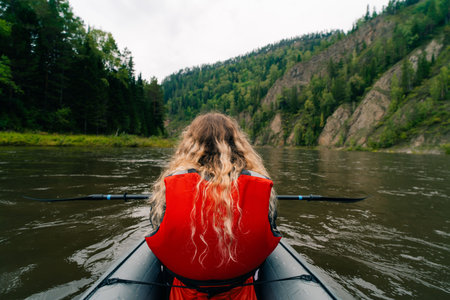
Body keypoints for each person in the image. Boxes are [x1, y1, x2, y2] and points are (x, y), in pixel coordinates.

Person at [145, 112, 281, 299]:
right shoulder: (262, 183)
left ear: (190, 144)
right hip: (240, 289)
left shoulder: (171, 183)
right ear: (237, 144)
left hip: (185, 291)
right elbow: (270, 226)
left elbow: (157, 226)